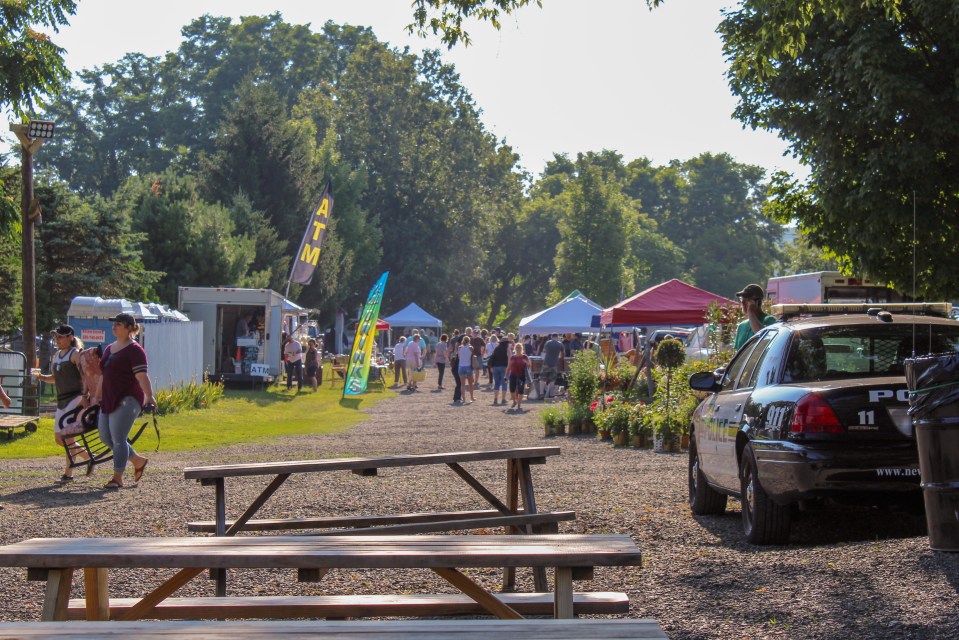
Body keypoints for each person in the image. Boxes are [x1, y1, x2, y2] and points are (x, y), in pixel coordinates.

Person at [93, 313, 154, 490]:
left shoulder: (135, 350)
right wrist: (96, 396)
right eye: (114, 324)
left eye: (118, 324)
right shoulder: (109, 348)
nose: (114, 326)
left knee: (118, 438)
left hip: (128, 399)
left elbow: (141, 375)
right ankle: (137, 460)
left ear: (129, 328)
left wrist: (149, 396)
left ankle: (117, 478)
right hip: (109, 398)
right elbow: (104, 375)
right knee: (105, 437)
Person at [35, 325, 91, 483]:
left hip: (75, 398)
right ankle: (88, 457)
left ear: (70, 337)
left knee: (67, 438)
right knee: (60, 439)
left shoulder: (75, 354)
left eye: (60, 336)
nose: (57, 339)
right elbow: (55, 378)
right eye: (56, 337)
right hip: (62, 400)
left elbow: (85, 376)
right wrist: (42, 377)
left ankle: (68, 474)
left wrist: (85, 396)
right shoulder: (57, 355)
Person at [734, 283, 777, 349]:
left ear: (757, 302)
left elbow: (763, 337)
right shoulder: (741, 326)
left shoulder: (769, 320)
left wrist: (750, 312)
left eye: (747, 300)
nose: (742, 303)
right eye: (742, 299)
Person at [540, 333, 565, 399]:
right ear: (557, 337)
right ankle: (551, 394)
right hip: (554, 364)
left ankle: (541, 394)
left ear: (551, 336)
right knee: (552, 380)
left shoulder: (547, 343)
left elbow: (544, 352)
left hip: (546, 363)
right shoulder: (560, 344)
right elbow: (563, 354)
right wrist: (560, 358)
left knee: (542, 378)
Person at [507, 343, 531, 411]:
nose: (518, 349)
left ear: (522, 348)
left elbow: (529, 365)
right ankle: (514, 401)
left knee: (521, 390)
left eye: (519, 347)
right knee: (512, 389)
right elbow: (509, 367)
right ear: (515, 348)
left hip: (522, 375)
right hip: (513, 375)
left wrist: (525, 362)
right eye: (517, 347)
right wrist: (506, 375)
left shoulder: (525, 357)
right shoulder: (512, 357)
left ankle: (519, 404)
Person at [488, 336, 511, 405]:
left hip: (495, 367)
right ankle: (503, 399)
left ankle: (495, 399)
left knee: (496, 383)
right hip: (504, 367)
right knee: (504, 383)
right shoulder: (507, 349)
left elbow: (492, 358)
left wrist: (491, 367)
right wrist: (509, 368)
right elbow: (509, 359)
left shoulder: (496, 348)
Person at [458, 335, 475, 403]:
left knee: (462, 384)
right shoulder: (470, 347)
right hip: (468, 366)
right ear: (469, 341)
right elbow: (473, 354)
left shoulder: (459, 348)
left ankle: (464, 399)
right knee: (470, 384)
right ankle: (471, 397)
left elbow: (459, 357)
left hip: (461, 366)